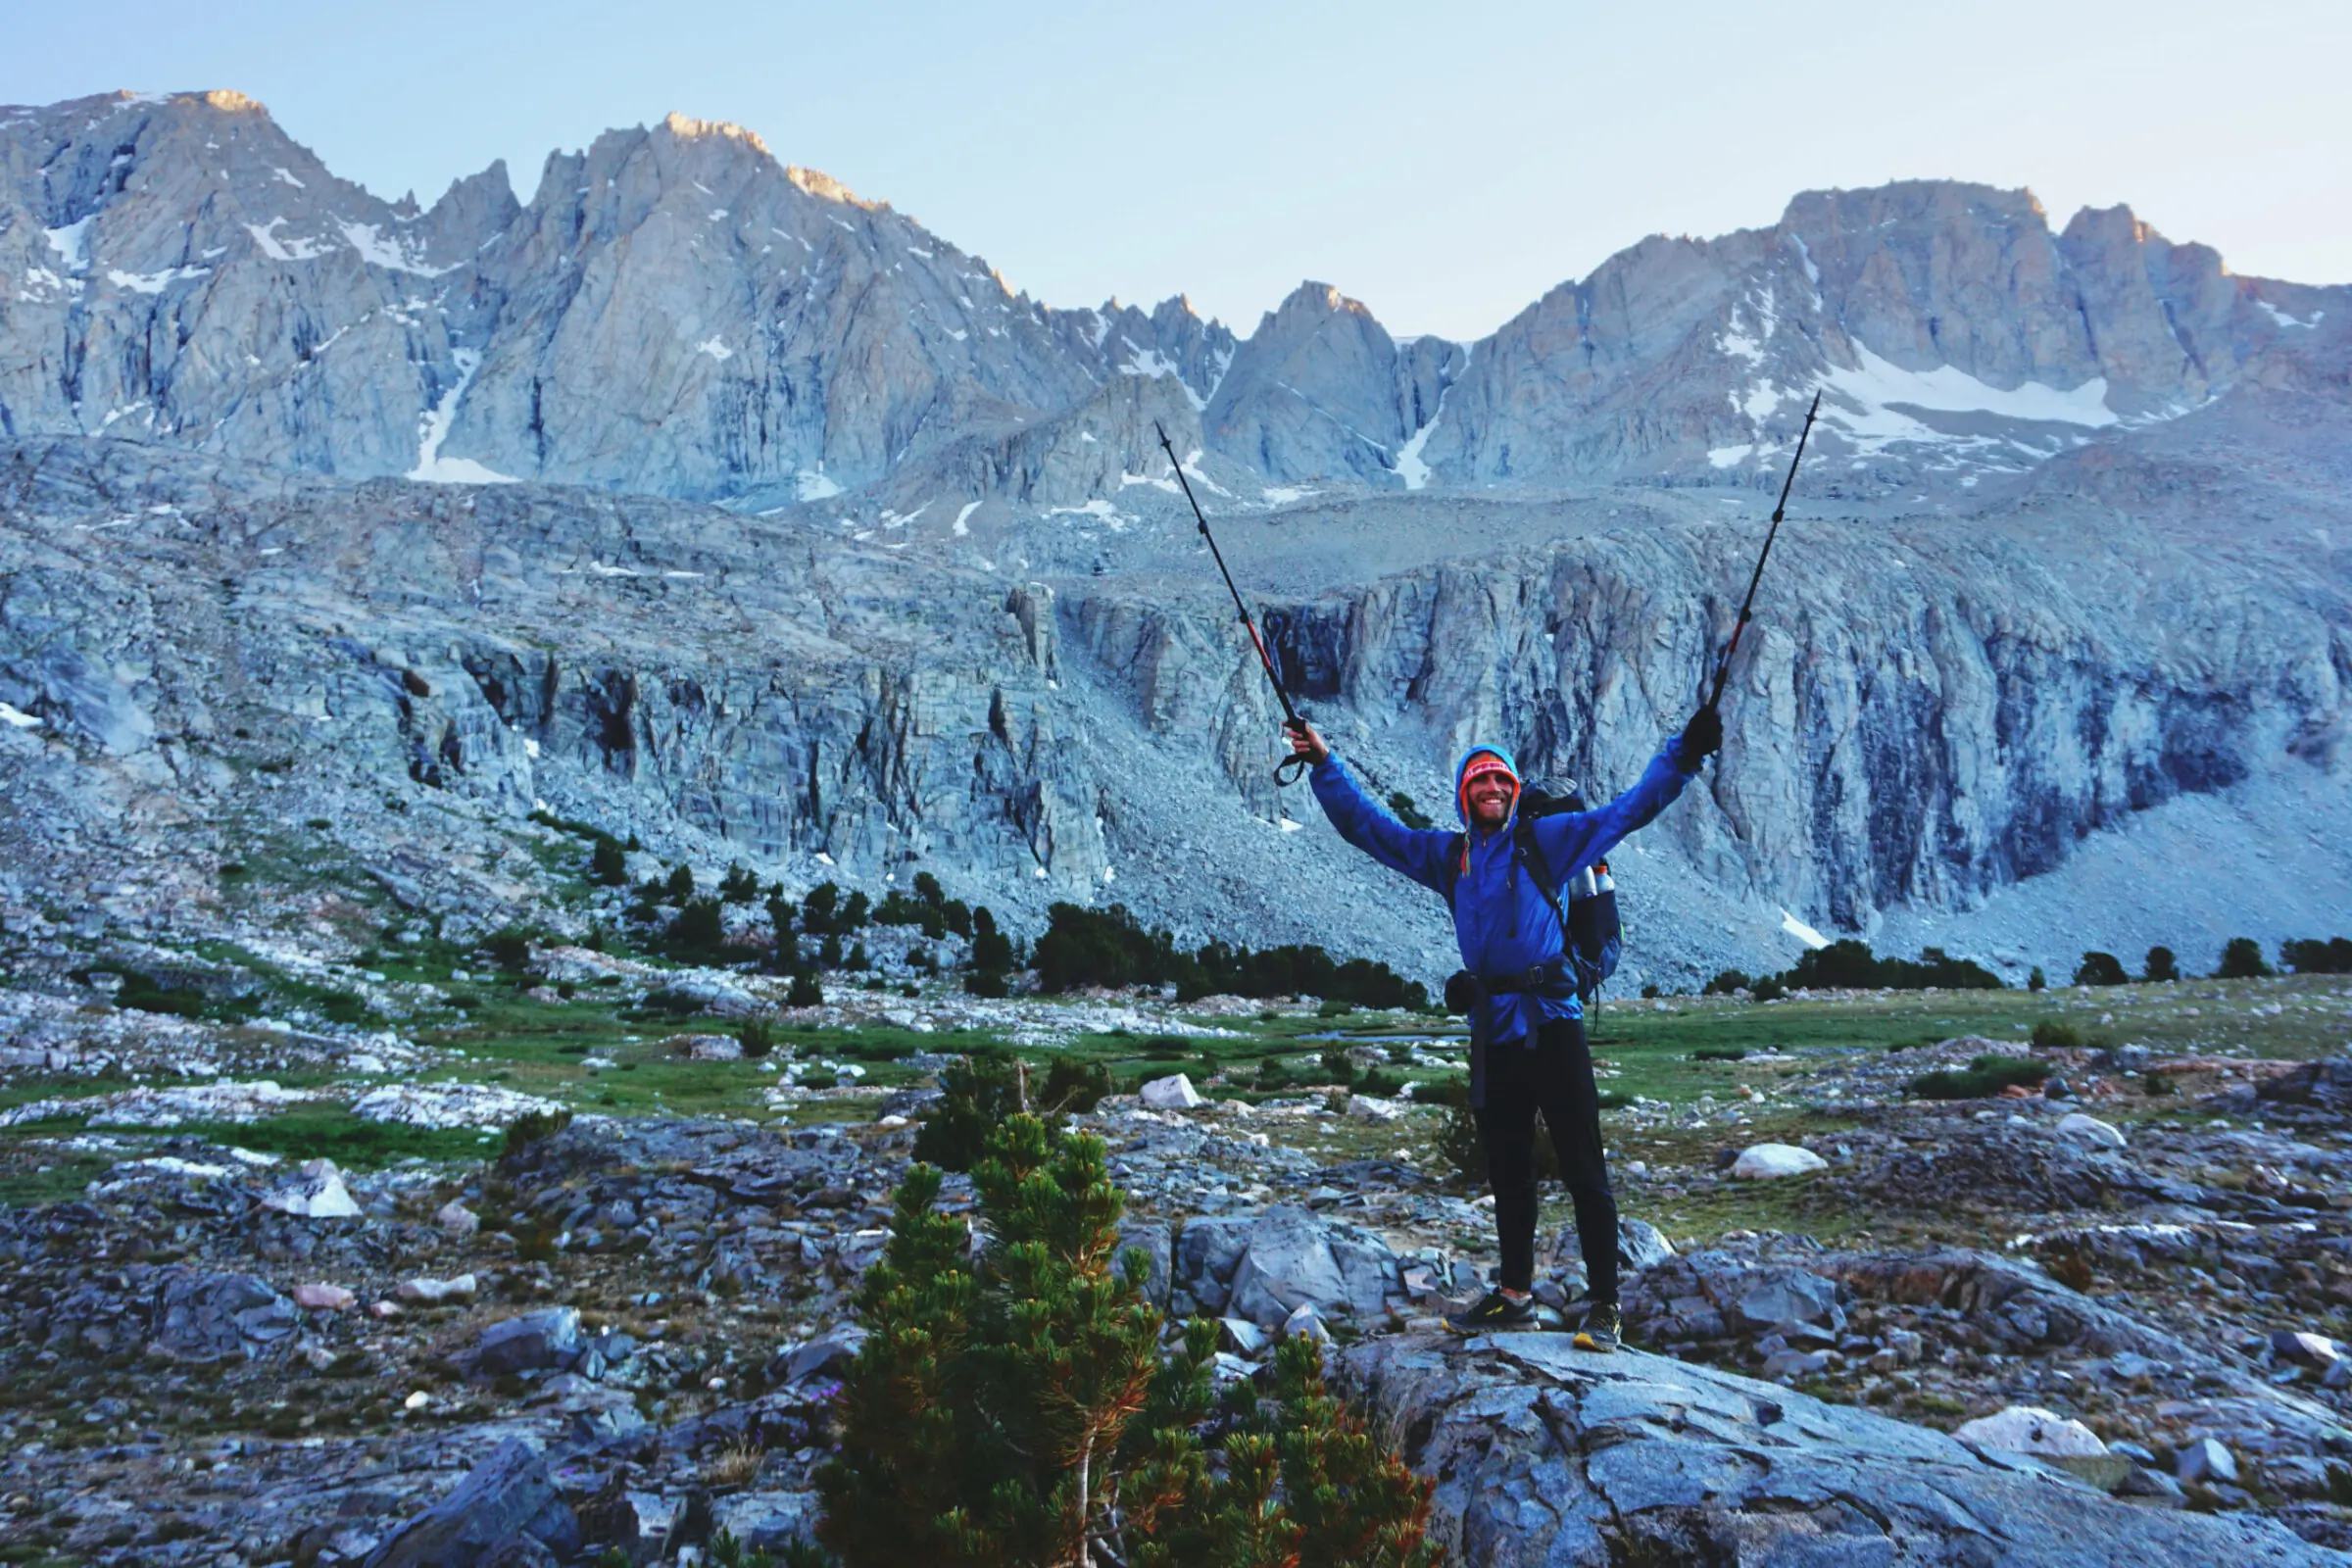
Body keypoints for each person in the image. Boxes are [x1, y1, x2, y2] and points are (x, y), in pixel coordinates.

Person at [1285, 707, 1722, 1348]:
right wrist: (1325, 764)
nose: (1490, 791)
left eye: (1500, 783)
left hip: (1553, 1022)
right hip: (1494, 1030)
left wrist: (1684, 755)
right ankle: (1515, 1295)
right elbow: (1368, 830)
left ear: (1515, 792)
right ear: (1465, 795)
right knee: (1508, 1167)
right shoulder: (1448, 856)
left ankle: (1605, 1304)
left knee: (1583, 1165)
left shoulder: (1550, 840)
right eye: (1479, 783)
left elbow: (1629, 810)